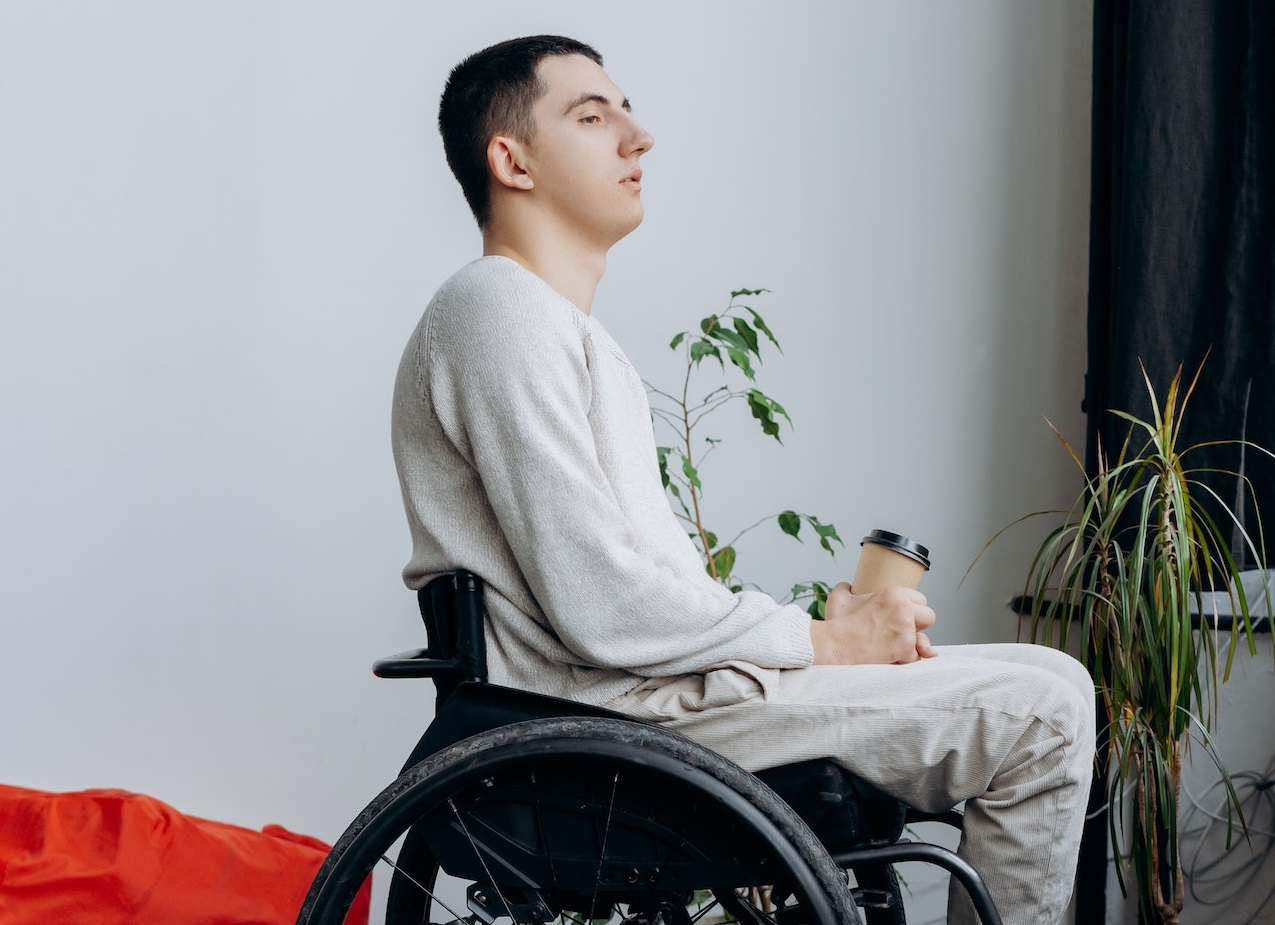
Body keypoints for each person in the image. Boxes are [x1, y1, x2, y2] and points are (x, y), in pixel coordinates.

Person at [391, 34, 1096, 925]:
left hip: (653, 699)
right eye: (593, 115)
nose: (638, 137)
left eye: (628, 111)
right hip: (609, 723)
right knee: (1040, 714)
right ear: (511, 159)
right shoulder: (496, 308)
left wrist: (804, 635)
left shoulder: (560, 330)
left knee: (1056, 678)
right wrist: (823, 642)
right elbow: (606, 604)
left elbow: (639, 595)